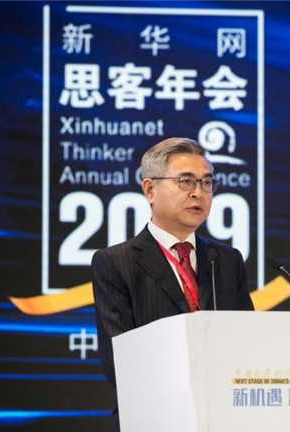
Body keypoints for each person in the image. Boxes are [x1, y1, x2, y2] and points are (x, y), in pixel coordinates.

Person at [91, 136, 254, 402]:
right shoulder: (116, 262)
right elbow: (118, 362)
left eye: (206, 182)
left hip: (223, 409)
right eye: (186, 181)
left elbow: (247, 344)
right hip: (153, 411)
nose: (198, 192)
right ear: (150, 190)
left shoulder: (227, 259)